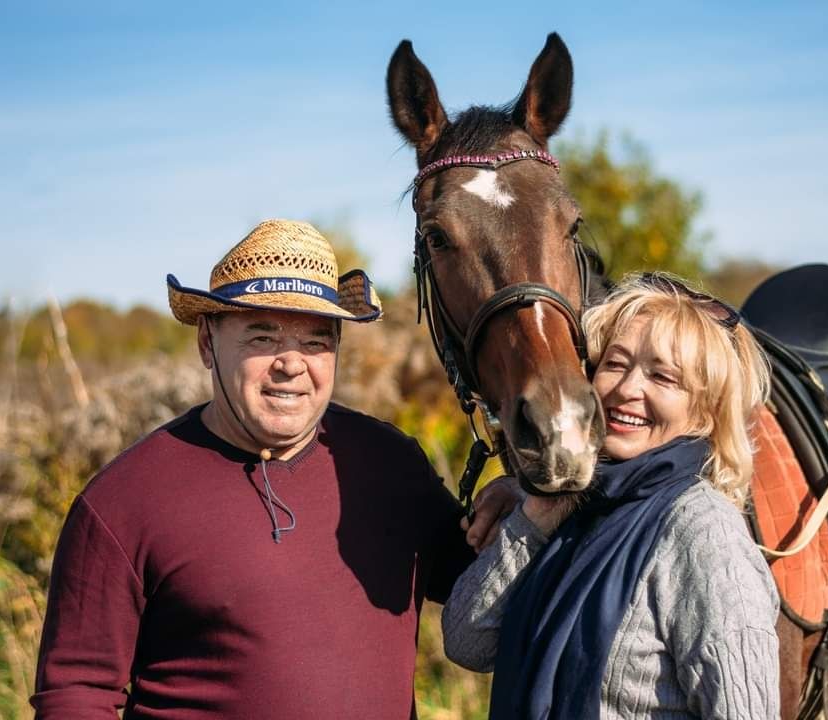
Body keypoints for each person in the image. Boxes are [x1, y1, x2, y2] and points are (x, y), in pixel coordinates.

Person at [31, 219, 517, 719]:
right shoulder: (123, 501)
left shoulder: (388, 464)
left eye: (314, 342)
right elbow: (76, 692)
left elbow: (482, 591)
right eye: (262, 337)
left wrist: (518, 507)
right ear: (206, 342)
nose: (290, 364)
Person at [444, 272, 780, 720]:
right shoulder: (578, 504)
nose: (626, 390)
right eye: (616, 364)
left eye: (663, 377)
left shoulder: (704, 533)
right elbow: (467, 643)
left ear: (706, 411)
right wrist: (536, 515)